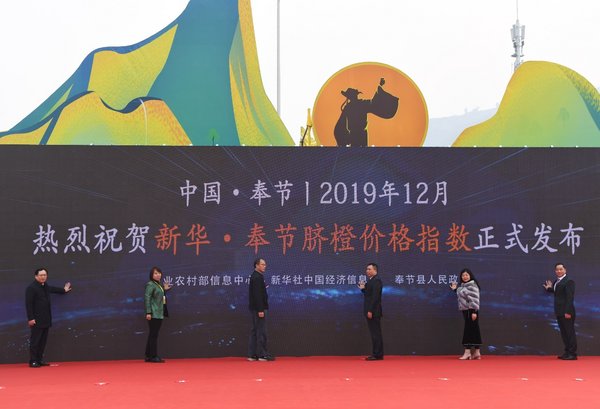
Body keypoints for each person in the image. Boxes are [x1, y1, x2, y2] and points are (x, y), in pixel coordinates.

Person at [25, 267, 72, 368]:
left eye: (45, 275)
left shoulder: (45, 286)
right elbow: (28, 304)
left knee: (42, 341)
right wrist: (31, 318)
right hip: (36, 320)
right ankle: (33, 361)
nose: (43, 277)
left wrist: (64, 290)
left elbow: (53, 289)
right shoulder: (31, 288)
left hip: (46, 319)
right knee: (35, 341)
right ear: (36, 276)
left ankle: (39, 360)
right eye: (41, 275)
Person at [333, 78, 399, 147]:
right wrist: (379, 87)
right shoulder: (359, 105)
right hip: (357, 133)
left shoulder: (351, 106)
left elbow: (374, 103)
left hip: (357, 133)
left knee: (359, 151)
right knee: (361, 151)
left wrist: (379, 87)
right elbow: (374, 103)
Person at [543, 262, 577, 360]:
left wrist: (567, 312)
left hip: (567, 312)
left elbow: (570, 298)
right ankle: (567, 352)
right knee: (564, 333)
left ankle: (572, 354)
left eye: (561, 269)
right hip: (559, 311)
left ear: (565, 270)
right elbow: (557, 293)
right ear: (555, 271)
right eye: (557, 269)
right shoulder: (557, 281)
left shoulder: (569, 281)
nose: (559, 271)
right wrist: (549, 288)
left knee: (569, 333)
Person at [450, 268, 482, 360]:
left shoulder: (472, 285)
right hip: (467, 311)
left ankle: (467, 352)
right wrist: (455, 289)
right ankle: (477, 352)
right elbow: (463, 295)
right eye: (463, 275)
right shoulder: (464, 286)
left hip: (471, 311)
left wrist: (474, 312)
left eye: (466, 275)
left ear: (470, 276)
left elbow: (475, 300)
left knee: (468, 331)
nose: (465, 277)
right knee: (474, 330)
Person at [247, 258, 274, 361]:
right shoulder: (257, 277)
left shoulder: (256, 276)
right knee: (261, 331)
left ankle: (252, 354)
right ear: (257, 265)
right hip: (259, 309)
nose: (264, 266)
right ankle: (262, 355)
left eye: (265, 264)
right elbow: (257, 296)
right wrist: (260, 310)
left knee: (254, 331)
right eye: (262, 264)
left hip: (255, 308)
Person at [144, 266, 172, 363]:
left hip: (159, 313)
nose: (158, 275)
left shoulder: (158, 285)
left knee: (152, 334)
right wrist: (148, 312)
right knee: (154, 335)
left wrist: (164, 289)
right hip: (153, 313)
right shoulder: (150, 284)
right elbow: (147, 298)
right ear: (151, 275)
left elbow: (158, 296)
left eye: (159, 273)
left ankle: (148, 355)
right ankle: (153, 356)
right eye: (155, 273)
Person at [358, 263, 383, 360]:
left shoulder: (377, 281)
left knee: (376, 333)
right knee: (374, 333)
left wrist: (370, 310)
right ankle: (377, 354)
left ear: (375, 270)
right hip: (370, 311)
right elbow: (368, 295)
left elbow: (375, 298)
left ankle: (377, 354)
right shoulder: (371, 281)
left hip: (374, 311)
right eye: (366, 269)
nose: (367, 271)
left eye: (369, 269)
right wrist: (363, 289)